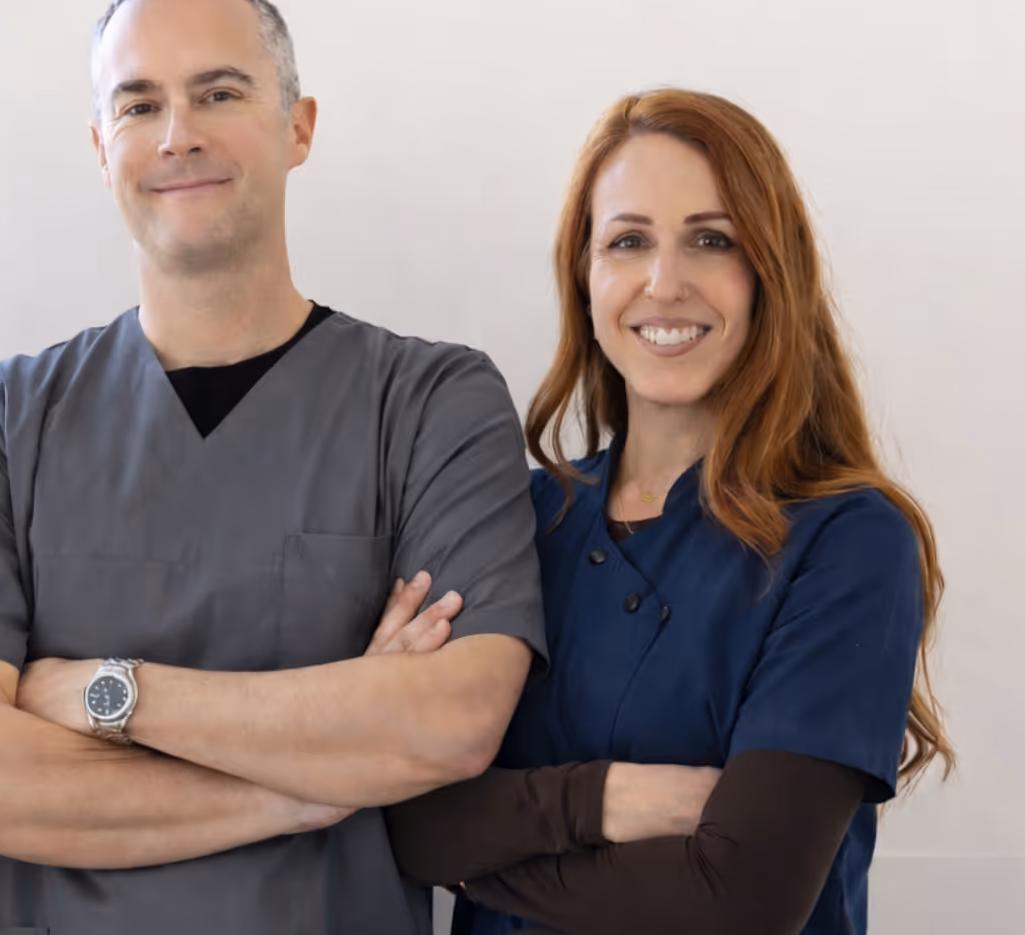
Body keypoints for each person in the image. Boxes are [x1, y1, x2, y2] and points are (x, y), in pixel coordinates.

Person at [0, 0, 546, 935]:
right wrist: (310, 787)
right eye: (140, 105)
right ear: (103, 147)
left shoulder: (431, 403)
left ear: (297, 126)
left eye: (219, 93)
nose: (178, 132)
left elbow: (450, 721)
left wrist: (105, 694)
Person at [384, 89, 954, 935]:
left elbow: (739, 900)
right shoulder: (515, 522)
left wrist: (479, 853)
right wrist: (604, 799)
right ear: (584, 275)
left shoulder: (849, 543)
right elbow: (401, 820)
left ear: (770, 272)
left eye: (710, 240)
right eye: (628, 241)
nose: (664, 282)